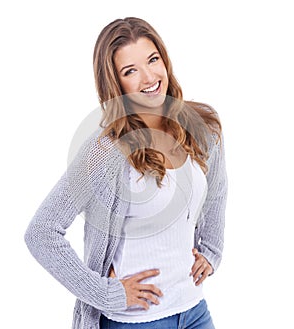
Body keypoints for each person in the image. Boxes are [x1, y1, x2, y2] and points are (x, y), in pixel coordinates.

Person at [24, 17, 228, 329]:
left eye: (153, 59)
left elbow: (215, 192)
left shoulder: (202, 126)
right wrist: (106, 293)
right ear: (115, 84)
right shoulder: (105, 151)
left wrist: (211, 250)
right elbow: (41, 232)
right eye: (130, 71)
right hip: (136, 320)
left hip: (193, 309)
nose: (149, 77)